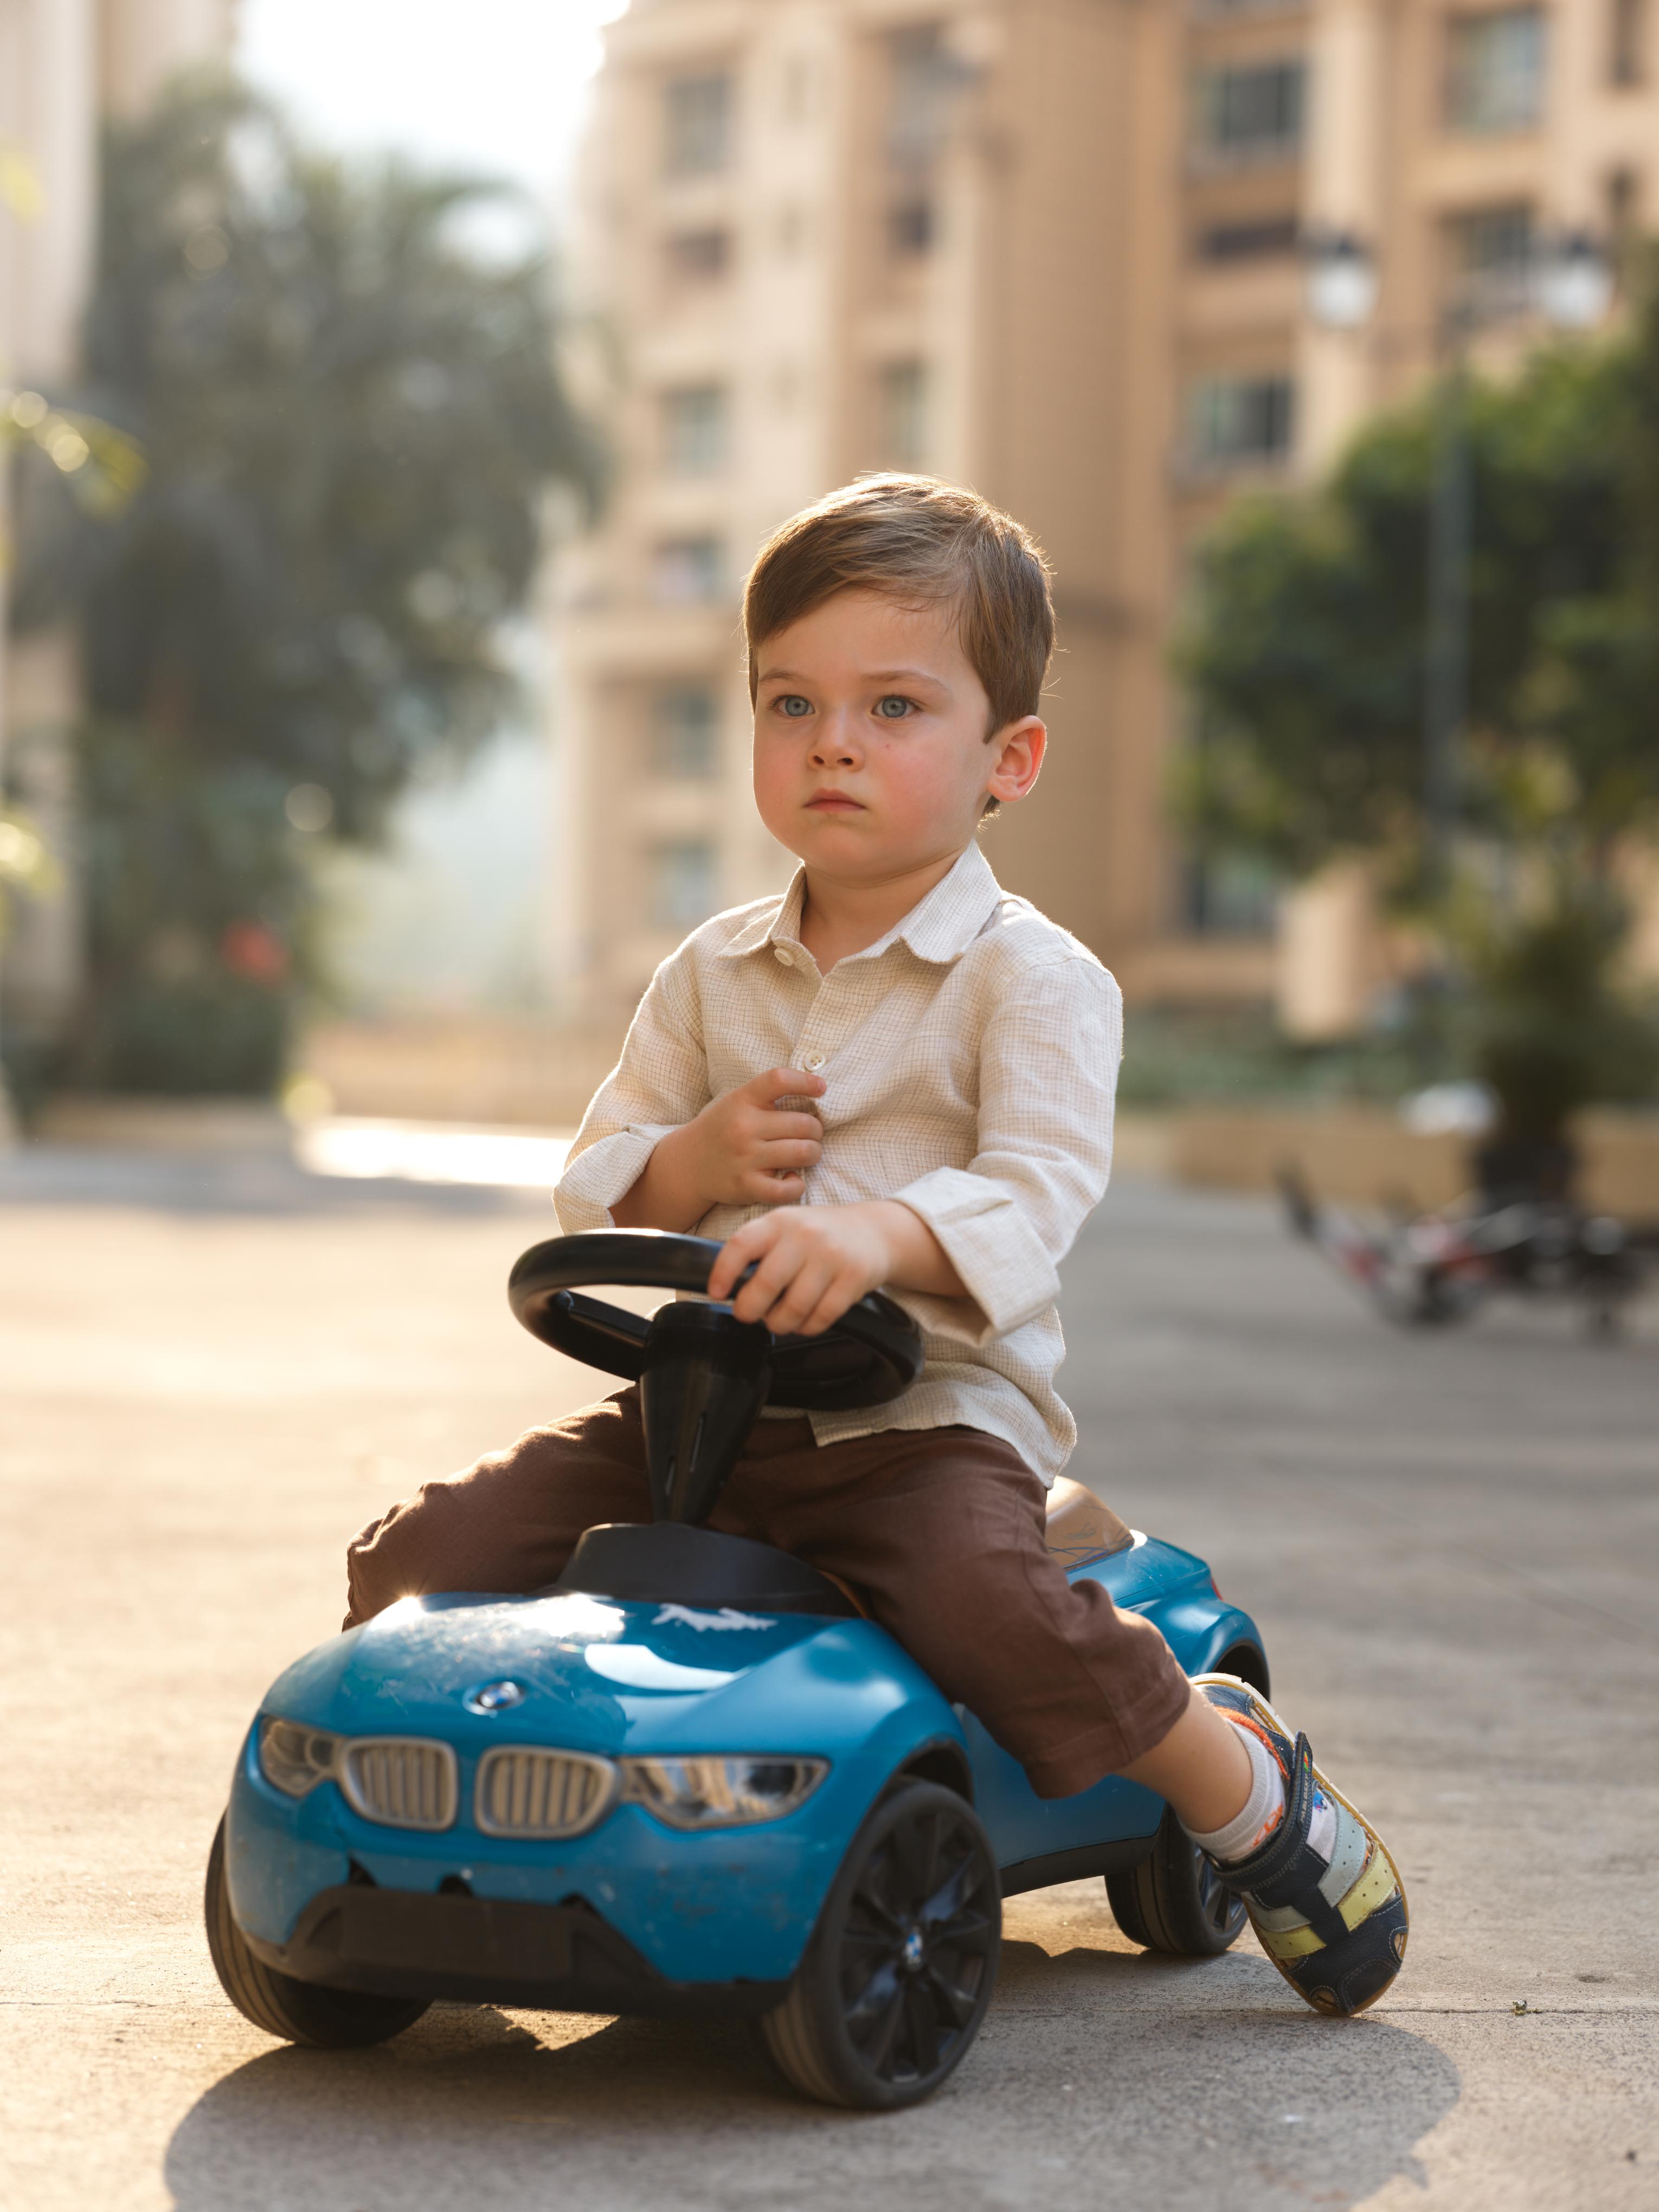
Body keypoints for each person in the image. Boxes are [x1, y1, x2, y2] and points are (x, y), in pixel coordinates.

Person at [345, 474, 1407, 2017]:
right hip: (697, 1417)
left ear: (1007, 758)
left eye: (893, 705)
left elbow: (1038, 1189)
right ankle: (423, 1838)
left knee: (988, 1608)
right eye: (791, 702)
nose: (832, 740)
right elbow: (597, 1175)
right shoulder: (709, 975)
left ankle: (1236, 1785)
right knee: (425, 1556)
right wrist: (688, 1161)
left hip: (918, 1431)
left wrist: (875, 1234)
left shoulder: (1030, 982)